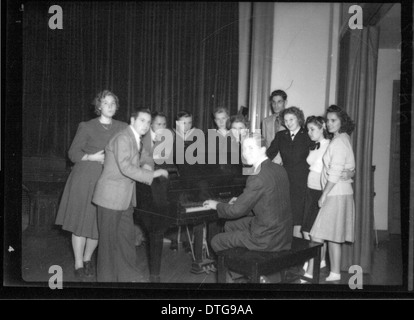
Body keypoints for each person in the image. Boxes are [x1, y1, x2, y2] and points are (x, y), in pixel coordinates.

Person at [55, 90, 128, 280]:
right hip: (85, 178)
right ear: (98, 106)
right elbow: (72, 154)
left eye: (113, 103)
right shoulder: (86, 126)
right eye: (106, 103)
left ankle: (87, 259)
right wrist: (91, 157)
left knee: (98, 223)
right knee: (80, 223)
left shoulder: (123, 127)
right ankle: (78, 263)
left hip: (108, 181)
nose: (110, 106)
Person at [92, 108, 169, 282]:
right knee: (108, 245)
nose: (146, 125)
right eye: (142, 120)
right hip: (110, 198)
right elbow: (125, 167)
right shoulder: (123, 138)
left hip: (125, 199)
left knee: (126, 240)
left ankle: (129, 277)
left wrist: (148, 165)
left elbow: (146, 157)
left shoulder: (136, 140)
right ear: (132, 120)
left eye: (148, 122)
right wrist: (152, 174)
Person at [203, 133, 292, 254]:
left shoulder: (257, 177)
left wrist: (216, 205)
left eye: (251, 148)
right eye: (244, 149)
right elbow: (269, 202)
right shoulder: (279, 168)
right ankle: (243, 260)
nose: (245, 153)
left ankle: (240, 269)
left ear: (263, 149)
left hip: (266, 238)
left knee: (216, 240)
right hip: (283, 234)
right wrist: (241, 201)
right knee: (230, 225)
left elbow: (235, 211)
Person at [309, 105, 356, 282]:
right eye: (327, 120)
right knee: (333, 236)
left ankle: (309, 273)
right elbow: (350, 166)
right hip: (340, 192)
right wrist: (351, 172)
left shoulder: (339, 141)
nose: (329, 124)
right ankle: (335, 272)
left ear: (342, 121)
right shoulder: (343, 139)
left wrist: (323, 195)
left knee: (317, 235)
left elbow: (335, 172)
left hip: (335, 193)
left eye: (333, 120)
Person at [266, 106, 313, 238]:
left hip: (303, 181)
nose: (288, 123)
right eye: (286, 120)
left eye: (291, 119)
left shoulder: (307, 135)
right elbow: (269, 154)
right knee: (287, 215)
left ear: (299, 119)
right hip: (285, 180)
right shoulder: (281, 135)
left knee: (299, 216)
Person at [261, 90, 288, 164]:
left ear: (285, 103)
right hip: (270, 161)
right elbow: (265, 144)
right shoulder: (265, 121)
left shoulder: (291, 120)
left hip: (286, 162)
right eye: (273, 102)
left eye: (279, 102)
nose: (276, 105)